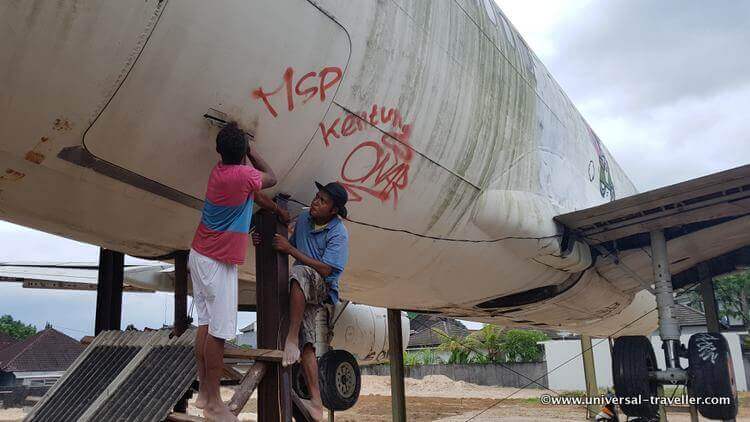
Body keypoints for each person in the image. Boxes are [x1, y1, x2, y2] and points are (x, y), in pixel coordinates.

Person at [189, 121, 288, 422]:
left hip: (200, 254)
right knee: (218, 333)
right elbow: (271, 177)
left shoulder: (219, 172)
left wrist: (241, 150)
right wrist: (252, 151)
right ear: (243, 152)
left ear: (219, 152)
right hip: (218, 262)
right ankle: (215, 403)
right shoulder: (246, 175)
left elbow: (255, 195)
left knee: (205, 325)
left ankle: (204, 394)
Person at [252, 181, 349, 421]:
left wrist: (291, 251)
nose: (315, 202)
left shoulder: (338, 232)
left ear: (334, 210)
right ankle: (317, 404)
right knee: (309, 344)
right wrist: (261, 238)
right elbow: (286, 243)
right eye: (317, 197)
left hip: (323, 287)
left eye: (323, 201)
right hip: (303, 287)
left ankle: (291, 337)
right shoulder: (305, 219)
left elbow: (327, 270)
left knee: (300, 272)